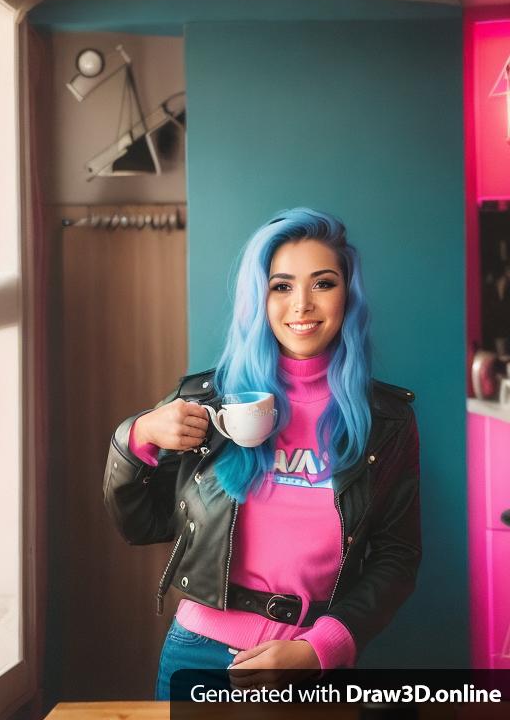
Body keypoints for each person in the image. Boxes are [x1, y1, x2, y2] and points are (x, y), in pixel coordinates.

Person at [103, 207, 421, 699]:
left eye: (323, 283)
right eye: (282, 286)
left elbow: (397, 558)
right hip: (200, 655)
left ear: (348, 295)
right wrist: (136, 436)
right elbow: (140, 525)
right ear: (261, 297)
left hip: (314, 663)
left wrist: (321, 650)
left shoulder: (388, 420)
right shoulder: (206, 400)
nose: (302, 305)